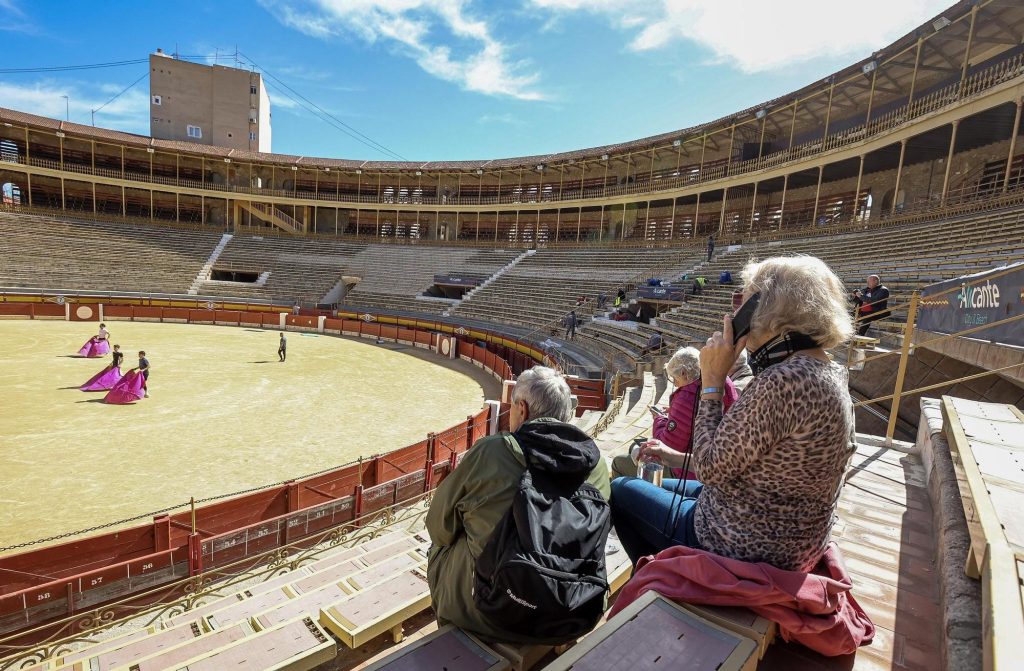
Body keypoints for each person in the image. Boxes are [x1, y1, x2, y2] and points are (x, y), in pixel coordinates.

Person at [610, 255, 856, 570]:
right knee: (659, 487)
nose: (737, 313)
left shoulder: (783, 381)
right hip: (787, 534)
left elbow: (711, 469)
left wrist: (711, 383)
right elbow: (731, 460)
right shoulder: (825, 369)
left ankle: (661, 580)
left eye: (745, 303)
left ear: (768, 312)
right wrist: (671, 456)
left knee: (621, 490)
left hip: (744, 543)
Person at [426, 366, 611, 642]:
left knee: (443, 546)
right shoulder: (596, 464)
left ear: (522, 410)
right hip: (572, 612)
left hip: (493, 613)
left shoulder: (492, 452)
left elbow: (438, 527)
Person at [610, 347, 737, 480]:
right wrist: (674, 413)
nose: (675, 384)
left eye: (674, 378)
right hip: (715, 463)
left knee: (620, 462)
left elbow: (666, 446)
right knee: (634, 448)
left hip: (688, 472)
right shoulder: (721, 382)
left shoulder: (687, 397)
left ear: (684, 373)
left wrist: (659, 419)